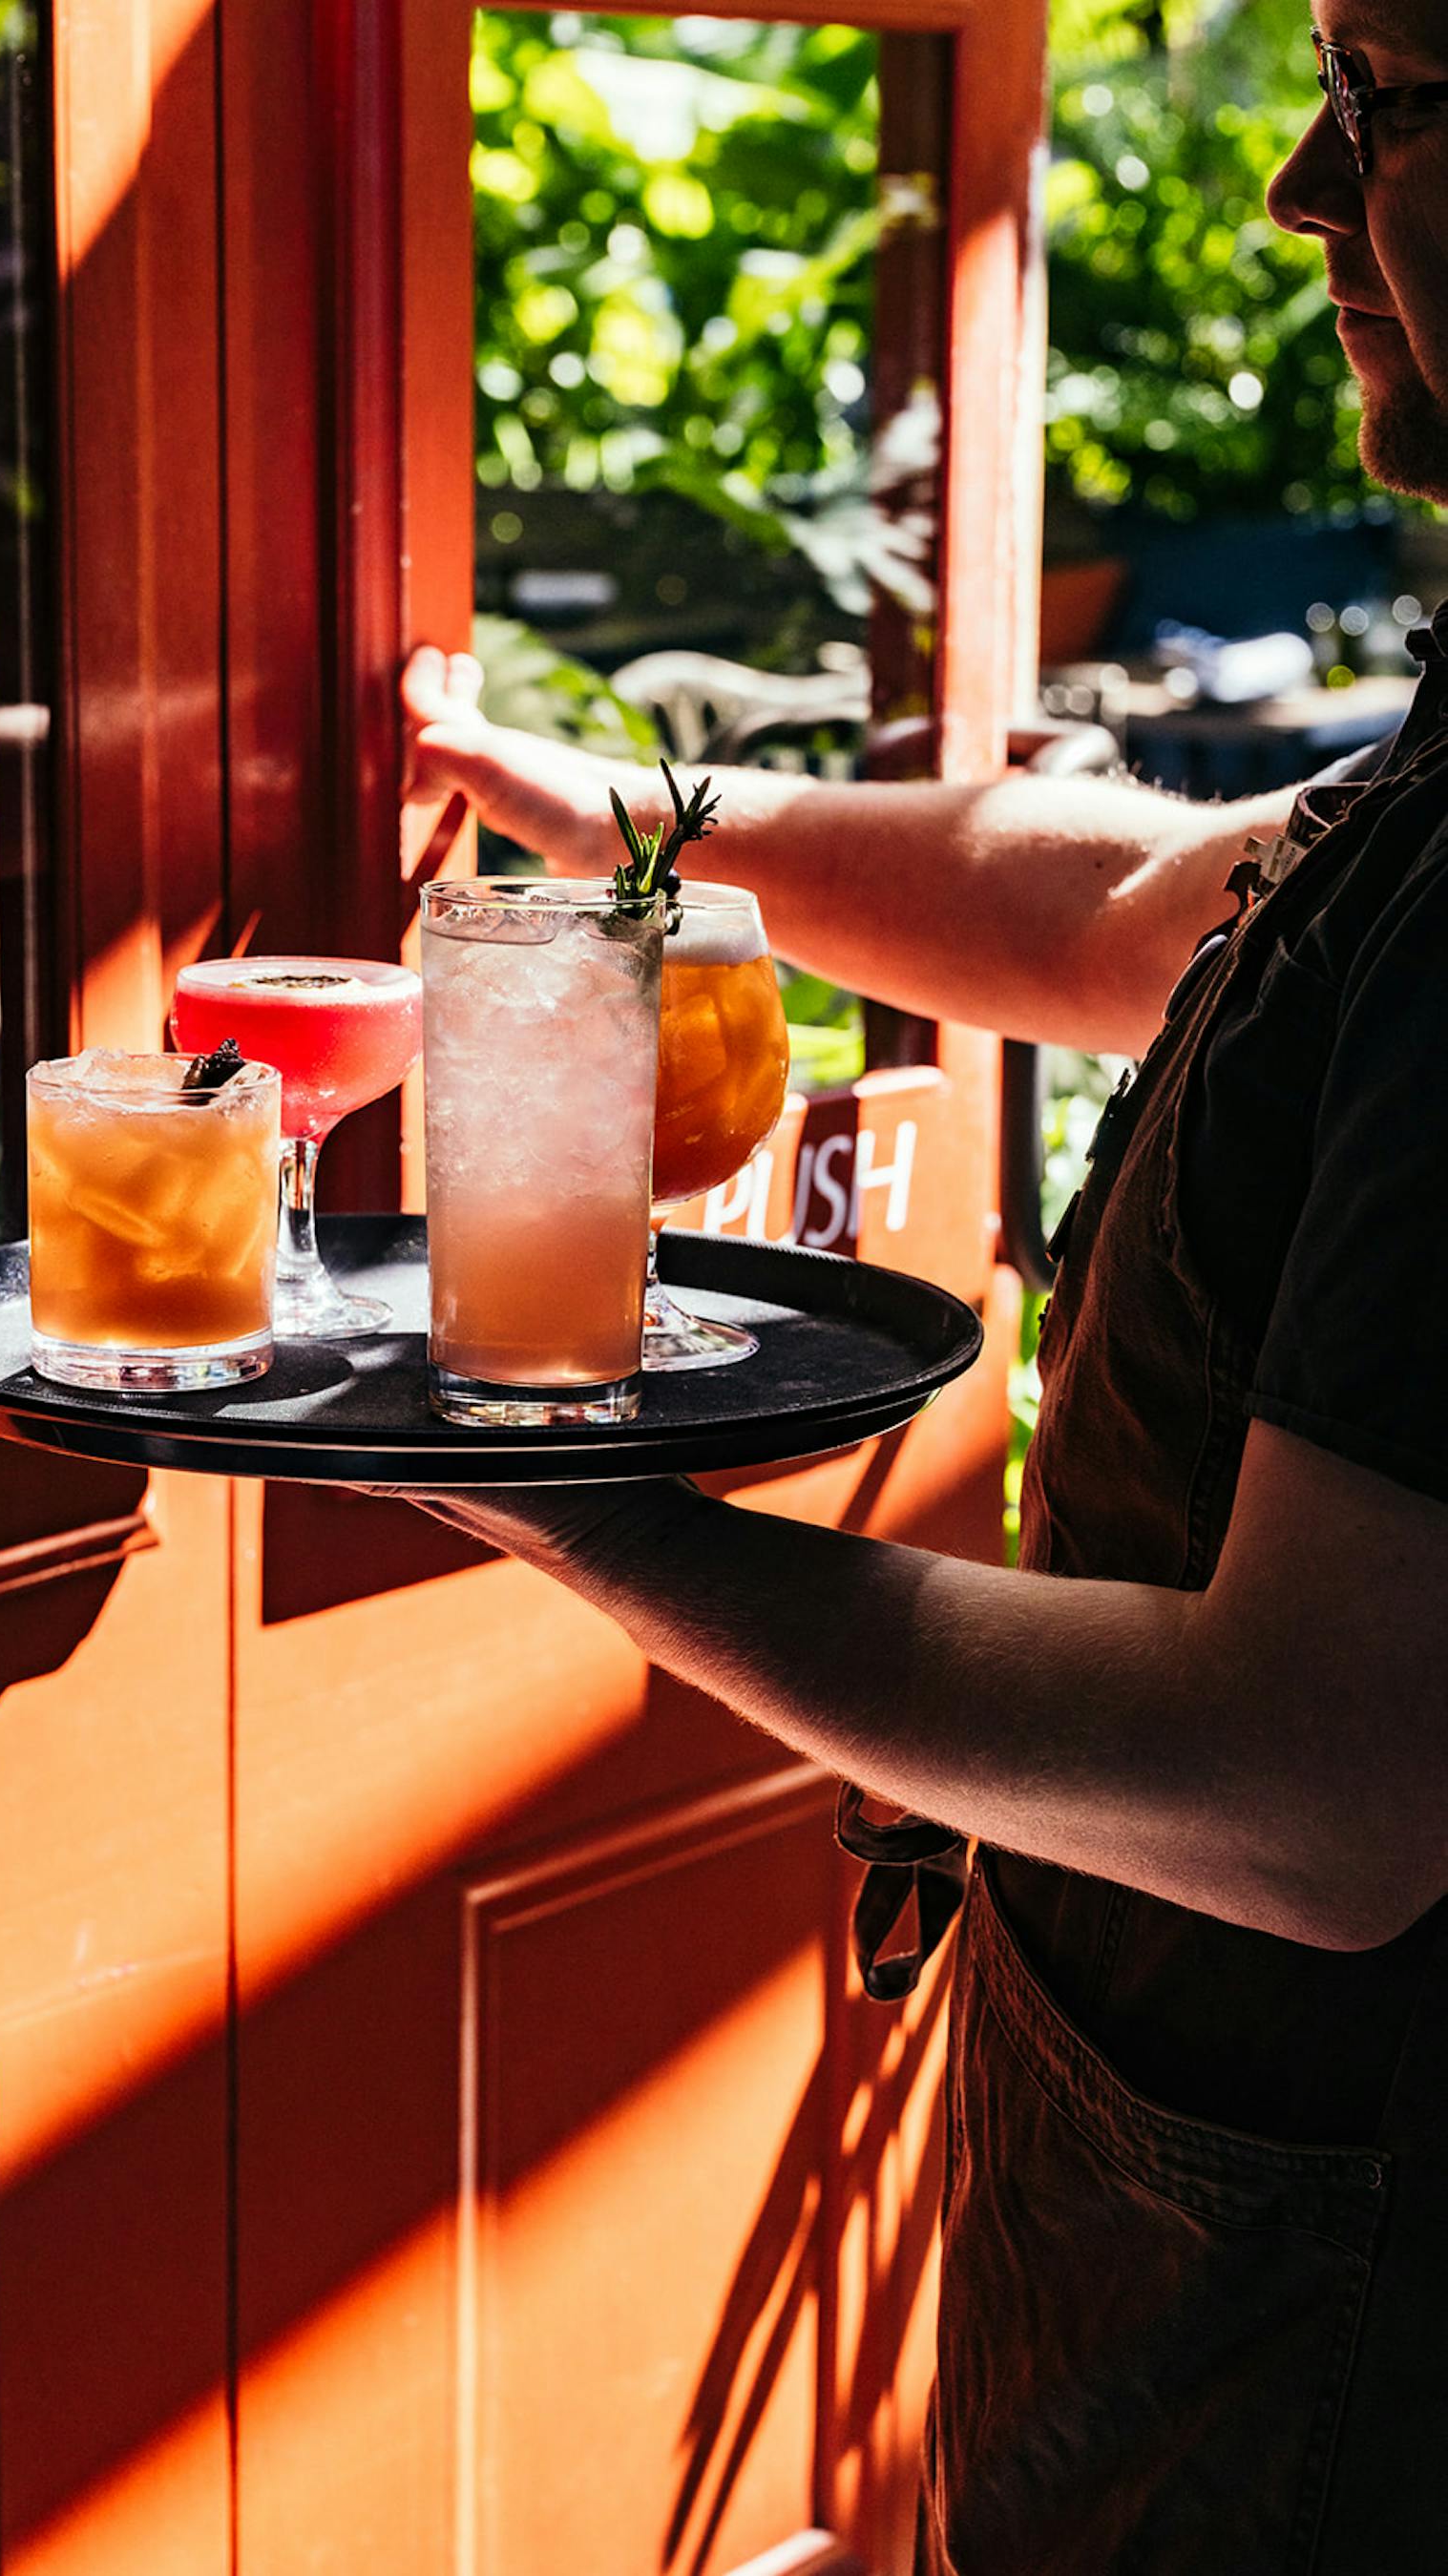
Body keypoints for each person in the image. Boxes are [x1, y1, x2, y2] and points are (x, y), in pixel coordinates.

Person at [397, 5, 1448, 2566]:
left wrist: (547, 1486)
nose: (1301, 189)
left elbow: (1321, 1784)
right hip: (1215, 2239)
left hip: (1337, 2373)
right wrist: (625, 816)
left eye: (1383, 90)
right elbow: (1098, 893)